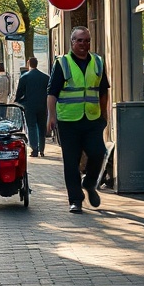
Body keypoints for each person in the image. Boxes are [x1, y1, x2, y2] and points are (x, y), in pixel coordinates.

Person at [47, 27, 109, 213]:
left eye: (87, 40)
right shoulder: (63, 63)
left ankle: (89, 183)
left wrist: (104, 114)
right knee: (71, 161)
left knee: (98, 153)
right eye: (80, 40)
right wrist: (51, 116)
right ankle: (75, 200)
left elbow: (103, 90)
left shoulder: (97, 62)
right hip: (68, 120)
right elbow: (52, 93)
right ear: (72, 42)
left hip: (92, 119)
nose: (84, 44)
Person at [14, 57, 48, 157]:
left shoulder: (25, 77)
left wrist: (18, 100)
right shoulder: (45, 77)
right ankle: (42, 149)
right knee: (42, 127)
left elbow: (19, 91)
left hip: (30, 106)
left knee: (32, 126)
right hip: (42, 105)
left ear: (29, 64)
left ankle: (34, 149)